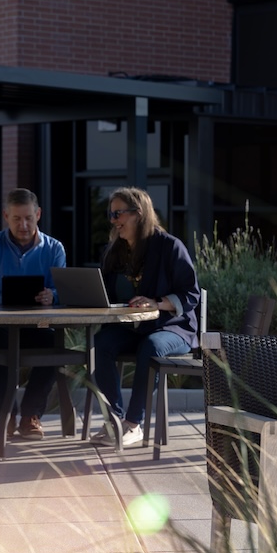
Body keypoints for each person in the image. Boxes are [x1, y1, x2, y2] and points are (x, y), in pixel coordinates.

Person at [91, 187, 200, 448]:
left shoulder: (170, 246)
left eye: (118, 214)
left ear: (138, 214)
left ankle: (133, 424)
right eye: (111, 215)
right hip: (133, 328)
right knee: (100, 344)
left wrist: (158, 303)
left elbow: (191, 294)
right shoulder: (115, 251)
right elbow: (105, 290)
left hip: (173, 328)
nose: (114, 221)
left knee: (150, 347)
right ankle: (115, 421)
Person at [0, 188, 66, 441]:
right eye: (16, 219)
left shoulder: (54, 249)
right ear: (5, 216)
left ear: (38, 214)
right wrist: (5, 301)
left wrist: (52, 296)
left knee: (56, 349)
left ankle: (30, 416)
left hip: (35, 327)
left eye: (29, 218)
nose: (23, 225)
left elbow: (62, 290)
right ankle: (7, 414)